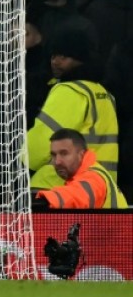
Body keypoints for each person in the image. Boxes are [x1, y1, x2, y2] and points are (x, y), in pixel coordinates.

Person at [26, 28, 119, 189]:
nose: (55, 61)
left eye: (64, 56)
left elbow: (41, 144)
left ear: (81, 59)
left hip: (57, 187)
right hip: (98, 187)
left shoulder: (69, 91)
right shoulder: (101, 92)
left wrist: (19, 160)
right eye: (54, 55)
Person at [34, 129, 127, 209]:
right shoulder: (86, 174)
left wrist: (41, 201)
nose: (57, 161)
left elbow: (77, 196)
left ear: (81, 155)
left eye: (64, 153)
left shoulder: (94, 177)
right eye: (54, 155)